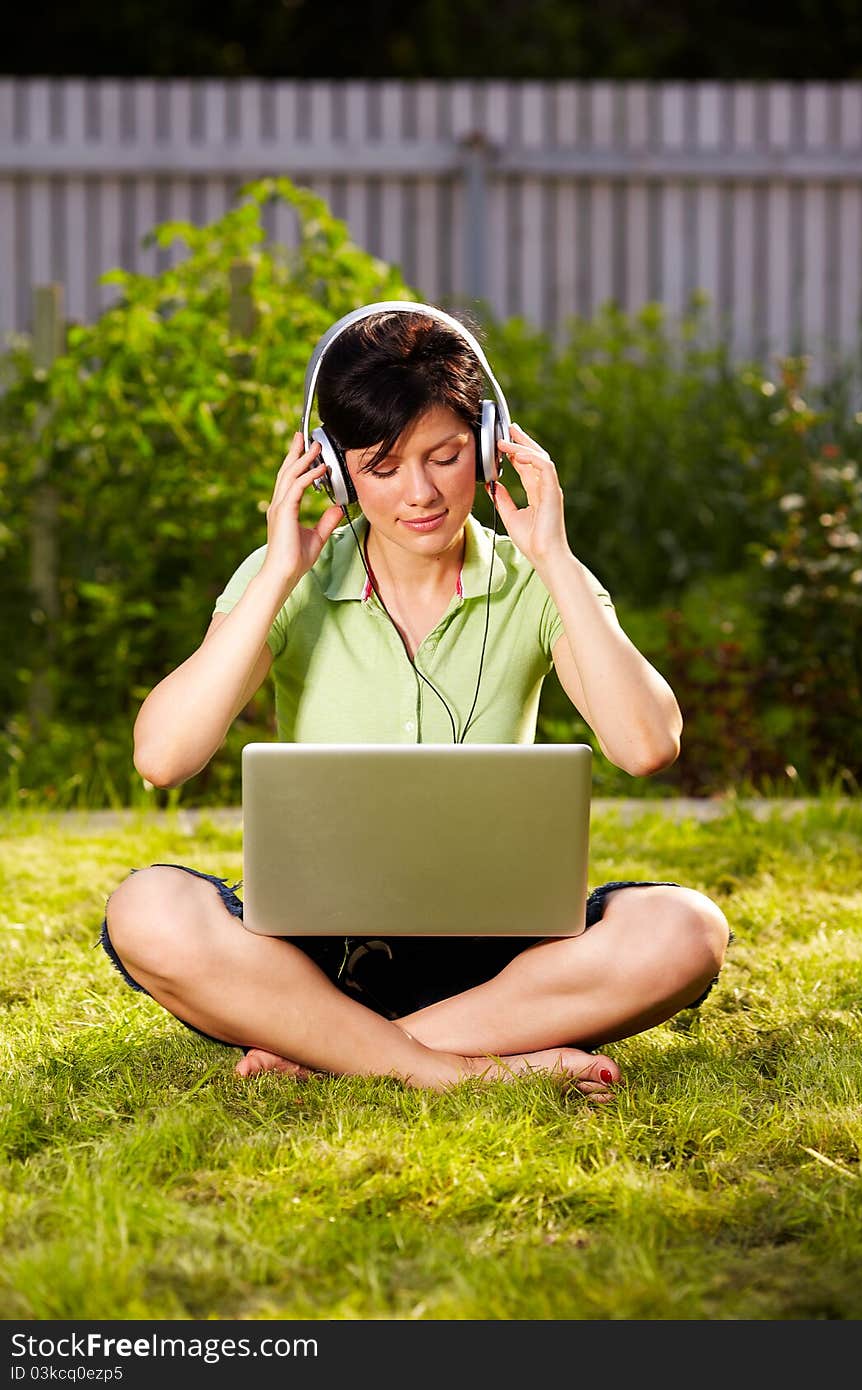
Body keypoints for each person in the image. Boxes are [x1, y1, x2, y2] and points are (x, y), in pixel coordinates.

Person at [100, 303, 730, 1099]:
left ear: (492, 448)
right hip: (315, 952)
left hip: (502, 960)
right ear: (331, 469)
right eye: (382, 468)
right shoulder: (289, 577)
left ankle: (333, 1046)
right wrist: (274, 580)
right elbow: (162, 758)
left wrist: (556, 558)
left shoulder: (538, 581)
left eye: (446, 456)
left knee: (686, 930)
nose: (421, 495)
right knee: (147, 905)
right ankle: (458, 1071)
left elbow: (647, 746)